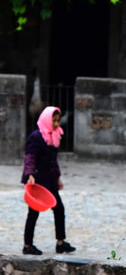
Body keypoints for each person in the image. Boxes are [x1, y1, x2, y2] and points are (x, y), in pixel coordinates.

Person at [21, 106, 76, 255]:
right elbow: (30, 157)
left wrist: (58, 178)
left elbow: (53, 161)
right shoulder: (36, 137)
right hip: (38, 180)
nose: (57, 124)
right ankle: (27, 245)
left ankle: (60, 242)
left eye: (58, 120)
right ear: (47, 119)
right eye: (54, 120)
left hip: (50, 180)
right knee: (34, 212)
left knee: (59, 209)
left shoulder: (54, 136)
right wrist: (30, 175)